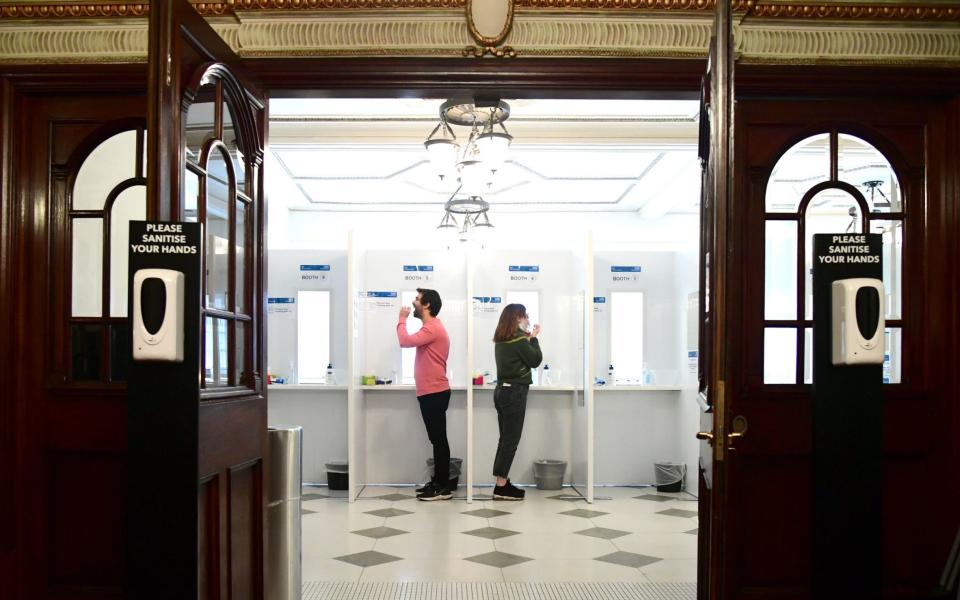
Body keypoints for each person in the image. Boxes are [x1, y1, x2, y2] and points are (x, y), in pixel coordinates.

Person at [396, 288, 453, 501]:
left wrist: (401, 319)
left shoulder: (433, 328)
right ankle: (439, 482)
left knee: (438, 440)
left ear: (427, 305)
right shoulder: (431, 327)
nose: (414, 302)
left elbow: (405, 341)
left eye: (418, 299)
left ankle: (442, 486)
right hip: (431, 392)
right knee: (437, 439)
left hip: (434, 392)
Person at [491, 303, 542, 500]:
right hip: (515, 393)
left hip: (501, 392)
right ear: (518, 317)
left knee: (504, 440)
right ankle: (501, 486)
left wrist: (528, 339)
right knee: (510, 441)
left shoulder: (502, 339)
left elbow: (519, 356)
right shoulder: (520, 339)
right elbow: (535, 360)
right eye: (526, 316)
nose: (528, 320)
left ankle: (500, 482)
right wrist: (534, 339)